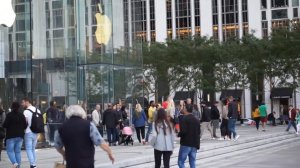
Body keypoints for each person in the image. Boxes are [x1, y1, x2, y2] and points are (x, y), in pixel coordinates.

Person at [3, 102, 27, 168]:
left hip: (11, 136)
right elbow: (25, 126)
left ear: (12, 107)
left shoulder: (9, 115)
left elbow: (5, 125)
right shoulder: (22, 115)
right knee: (18, 152)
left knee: (10, 151)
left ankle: (15, 163)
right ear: (19, 107)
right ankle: (18, 166)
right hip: (20, 136)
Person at [177, 104, 200, 168]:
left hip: (186, 143)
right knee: (192, 162)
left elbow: (183, 131)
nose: (183, 109)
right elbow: (198, 133)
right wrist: (198, 145)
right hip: (194, 144)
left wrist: (179, 134)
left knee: (181, 162)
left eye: (184, 108)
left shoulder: (184, 119)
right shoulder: (196, 120)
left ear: (186, 109)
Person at [22, 97, 42, 168]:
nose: (22, 104)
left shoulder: (26, 111)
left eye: (23, 102)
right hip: (36, 132)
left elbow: (25, 123)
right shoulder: (38, 110)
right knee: (33, 149)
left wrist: (22, 130)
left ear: (27, 102)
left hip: (28, 132)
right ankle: (33, 164)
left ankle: (33, 165)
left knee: (28, 149)